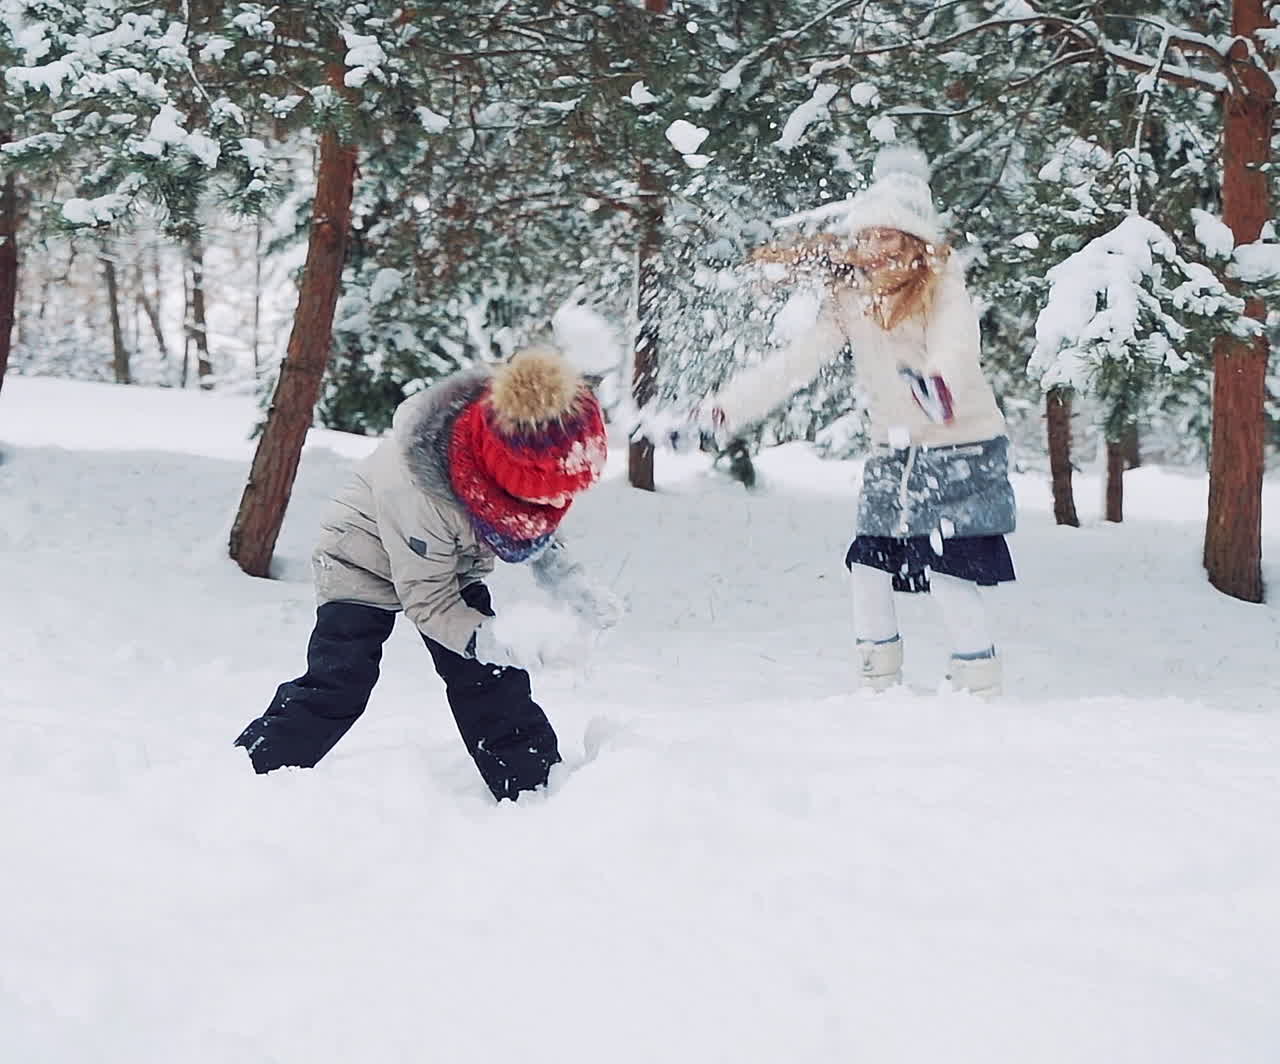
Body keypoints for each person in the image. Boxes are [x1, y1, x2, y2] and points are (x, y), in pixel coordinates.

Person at [693, 146, 1015, 695]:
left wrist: (937, 387)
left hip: (961, 447)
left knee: (950, 571)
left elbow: (957, 344)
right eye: (866, 237)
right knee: (869, 565)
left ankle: (976, 684)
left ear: (914, 241)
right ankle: (877, 682)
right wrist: (729, 407)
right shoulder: (851, 298)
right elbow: (796, 362)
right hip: (894, 453)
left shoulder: (942, 283)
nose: (874, 249)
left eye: (887, 237)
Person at [235, 347, 616, 799]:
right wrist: (499, 640)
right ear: (501, 481)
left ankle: (533, 787)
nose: (552, 508)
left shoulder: (515, 450)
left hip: (446, 559)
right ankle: (252, 770)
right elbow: (429, 603)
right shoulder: (419, 489)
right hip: (359, 556)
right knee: (341, 683)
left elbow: (535, 525)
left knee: (489, 681)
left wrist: (568, 581)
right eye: (543, 499)